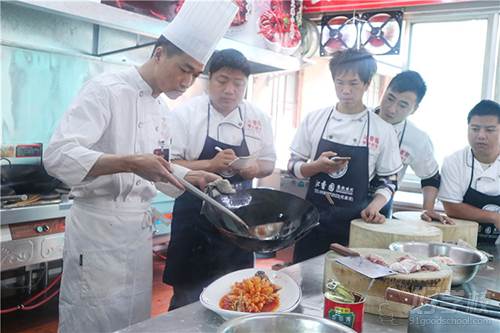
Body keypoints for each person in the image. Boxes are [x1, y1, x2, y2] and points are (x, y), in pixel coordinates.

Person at [43, 1, 238, 332]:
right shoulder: (106, 90)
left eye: (195, 74)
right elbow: (58, 156)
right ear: (159, 53)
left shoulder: (162, 111)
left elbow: (157, 171)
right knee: (92, 320)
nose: (187, 81)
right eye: (184, 69)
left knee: (133, 321)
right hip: (98, 232)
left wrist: (189, 175)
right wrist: (130, 163)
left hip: (136, 235)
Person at [163, 48, 277, 309]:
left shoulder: (258, 118)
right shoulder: (185, 114)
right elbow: (167, 164)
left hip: (238, 225)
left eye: (238, 84)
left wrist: (254, 169)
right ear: (208, 79)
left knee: (236, 295)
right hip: (194, 221)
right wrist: (210, 165)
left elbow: (269, 163)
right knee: (186, 299)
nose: (230, 90)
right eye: (222, 81)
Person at [288, 48, 403, 263]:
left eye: (353, 83)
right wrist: (316, 167)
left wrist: (375, 206)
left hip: (355, 227)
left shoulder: (382, 129)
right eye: (340, 82)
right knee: (304, 282)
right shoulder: (315, 119)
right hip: (312, 224)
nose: (345, 90)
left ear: (367, 84)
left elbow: (389, 181)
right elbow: (293, 165)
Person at [376, 70, 453, 224]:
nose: (392, 109)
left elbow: (430, 177)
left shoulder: (417, 139)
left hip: (381, 206)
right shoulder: (359, 119)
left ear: (414, 109)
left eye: (403, 105)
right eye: (390, 98)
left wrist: (428, 209)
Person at [439, 100, 500, 244]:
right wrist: (494, 217)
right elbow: (451, 207)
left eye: (489, 130)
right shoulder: (454, 161)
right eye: (475, 128)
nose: (481, 136)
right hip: (459, 244)